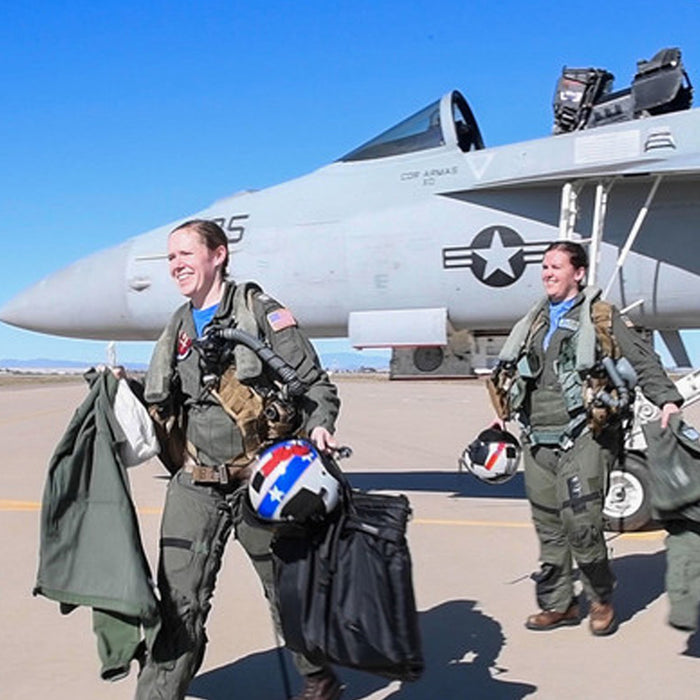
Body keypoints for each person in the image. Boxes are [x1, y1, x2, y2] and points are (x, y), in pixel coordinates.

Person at [135, 219, 344, 700]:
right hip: (196, 480)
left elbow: (315, 386)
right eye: (170, 257)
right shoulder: (178, 329)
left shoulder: (261, 314)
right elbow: (167, 404)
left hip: (261, 480)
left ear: (218, 255)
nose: (176, 266)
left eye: (185, 254)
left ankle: (318, 675)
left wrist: (319, 425)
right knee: (178, 600)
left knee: (286, 591)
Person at [489, 240, 683, 637]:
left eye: (556, 266)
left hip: (585, 435)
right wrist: (502, 416)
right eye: (544, 266)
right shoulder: (535, 320)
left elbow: (644, 361)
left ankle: (600, 597)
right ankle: (559, 604)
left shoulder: (601, 317)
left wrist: (667, 400)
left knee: (582, 524)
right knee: (549, 527)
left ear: (578, 273)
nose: (547, 273)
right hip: (536, 438)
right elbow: (518, 374)